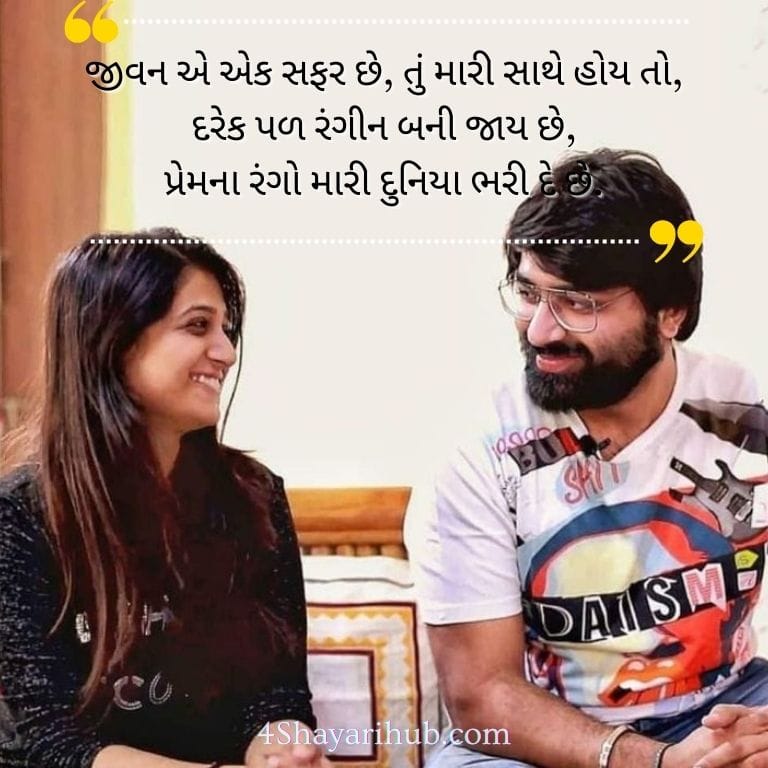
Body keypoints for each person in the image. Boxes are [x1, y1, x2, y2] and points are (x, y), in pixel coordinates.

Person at [413, 149, 768, 768]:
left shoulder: (746, 413)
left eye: (580, 303)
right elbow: (482, 696)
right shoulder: (479, 451)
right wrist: (658, 762)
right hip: (541, 738)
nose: (540, 331)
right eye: (529, 293)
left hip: (732, 701)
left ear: (670, 312)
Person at [0, 230, 330, 768]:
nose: (226, 352)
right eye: (198, 326)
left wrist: (283, 748)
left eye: (226, 329)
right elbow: (50, 740)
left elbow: (278, 695)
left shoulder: (254, 497)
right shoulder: (20, 515)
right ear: (114, 339)